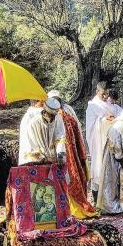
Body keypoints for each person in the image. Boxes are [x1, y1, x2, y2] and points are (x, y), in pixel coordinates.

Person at [47, 90, 97, 218]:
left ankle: (72, 208)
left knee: (71, 177)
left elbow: (77, 130)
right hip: (57, 151)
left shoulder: (67, 111)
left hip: (68, 151)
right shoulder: (50, 114)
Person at [85, 81, 116, 203]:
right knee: (98, 168)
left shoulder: (109, 105)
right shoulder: (92, 106)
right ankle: (97, 199)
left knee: (110, 169)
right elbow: (91, 126)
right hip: (98, 142)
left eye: (107, 94)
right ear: (97, 92)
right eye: (103, 94)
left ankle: (109, 199)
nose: (105, 96)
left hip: (110, 141)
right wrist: (103, 120)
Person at [18, 98, 66, 166]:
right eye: (49, 115)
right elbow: (31, 144)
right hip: (36, 161)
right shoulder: (34, 123)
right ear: (45, 111)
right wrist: (43, 159)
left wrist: (60, 154)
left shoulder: (58, 119)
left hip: (53, 159)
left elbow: (60, 137)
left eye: (53, 116)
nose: (51, 118)